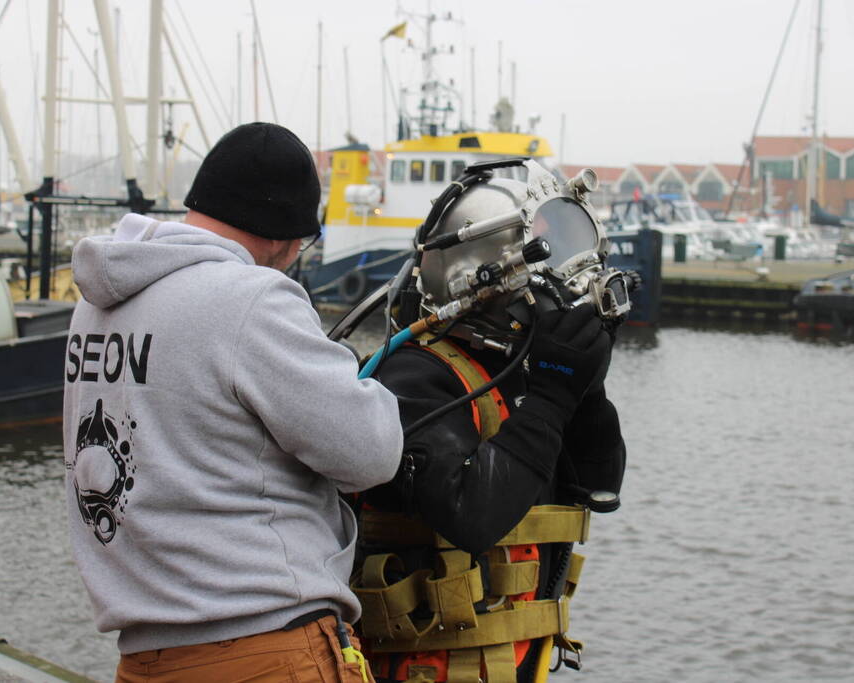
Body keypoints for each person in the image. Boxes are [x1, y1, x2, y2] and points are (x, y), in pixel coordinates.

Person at [62, 122, 403, 682]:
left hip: (144, 657)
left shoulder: (97, 305)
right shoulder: (250, 299)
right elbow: (370, 452)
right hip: (263, 649)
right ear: (282, 235)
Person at [351, 160, 627, 683]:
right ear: (486, 268)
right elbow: (469, 513)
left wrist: (585, 389)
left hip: (515, 664)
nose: (572, 274)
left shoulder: (519, 374)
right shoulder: (414, 377)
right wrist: (550, 397)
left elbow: (599, 487)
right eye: (548, 248)